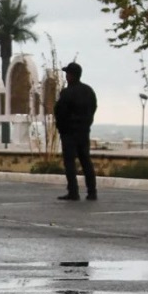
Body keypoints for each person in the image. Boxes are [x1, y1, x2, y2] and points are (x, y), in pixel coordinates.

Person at [54, 61, 98, 201]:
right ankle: (92, 192)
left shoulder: (67, 93)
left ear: (71, 76)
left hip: (69, 133)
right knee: (86, 161)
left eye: (67, 73)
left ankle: (73, 192)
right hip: (83, 131)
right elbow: (93, 108)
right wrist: (86, 124)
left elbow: (60, 112)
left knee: (70, 163)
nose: (66, 76)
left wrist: (61, 128)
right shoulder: (88, 91)